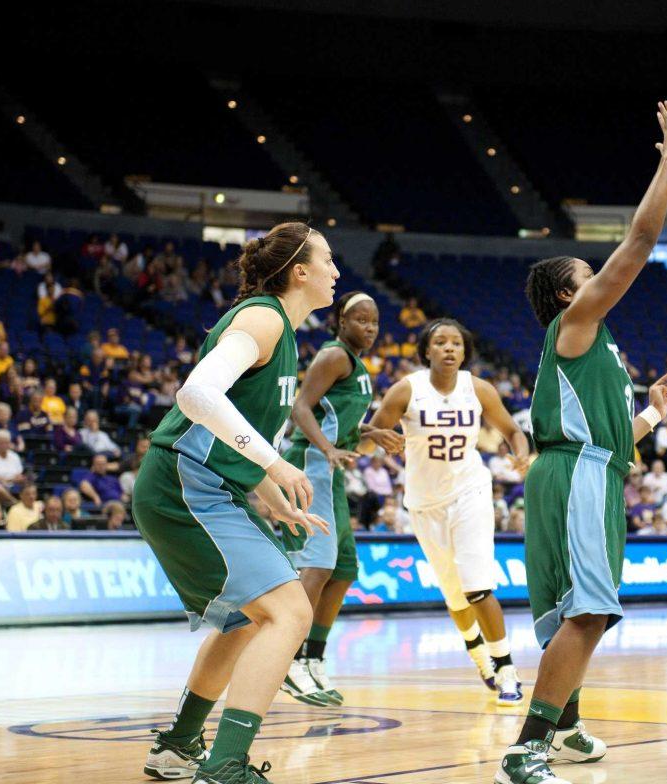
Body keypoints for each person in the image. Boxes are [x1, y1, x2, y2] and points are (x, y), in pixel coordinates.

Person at [494, 101, 667, 783]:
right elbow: (638, 244)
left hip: (581, 469)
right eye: (585, 272)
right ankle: (526, 750)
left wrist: (653, 410)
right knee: (592, 610)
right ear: (569, 294)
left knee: (567, 617)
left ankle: (566, 729)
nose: (596, 276)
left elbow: (609, 437)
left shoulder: (592, 351)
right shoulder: (574, 326)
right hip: (576, 477)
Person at [132, 222, 332, 784]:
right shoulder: (264, 317)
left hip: (201, 485)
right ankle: (225, 767)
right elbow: (196, 395)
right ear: (300, 271)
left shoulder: (285, 335)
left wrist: (274, 497)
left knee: (245, 621)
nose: (336, 271)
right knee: (290, 613)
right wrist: (273, 463)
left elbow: (227, 433)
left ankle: (177, 746)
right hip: (183, 484)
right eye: (328, 260)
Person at [369, 318, 532, 707]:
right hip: (425, 502)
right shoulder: (406, 390)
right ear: (426, 350)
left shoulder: (478, 388)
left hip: (471, 491)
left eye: (455, 343)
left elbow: (513, 431)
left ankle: (506, 668)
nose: (448, 348)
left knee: (478, 585)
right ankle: (479, 656)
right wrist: (374, 435)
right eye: (440, 342)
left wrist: (520, 452)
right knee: (455, 594)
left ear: (464, 350)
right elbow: (366, 439)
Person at [276, 292, 404, 707]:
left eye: (374, 321)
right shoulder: (334, 356)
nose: (369, 327)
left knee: (344, 567)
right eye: (360, 320)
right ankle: (287, 659)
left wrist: (368, 432)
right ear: (340, 321)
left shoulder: (356, 362)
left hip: (330, 471)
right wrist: (328, 449)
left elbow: (336, 417)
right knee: (315, 566)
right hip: (311, 465)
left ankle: (313, 657)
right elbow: (301, 407)